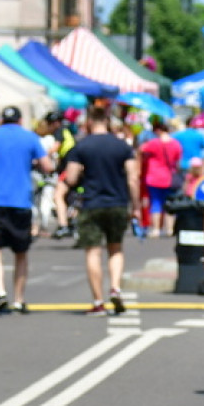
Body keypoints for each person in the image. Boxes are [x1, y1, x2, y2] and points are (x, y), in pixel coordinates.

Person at [62, 105, 142, 316]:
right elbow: (133, 178)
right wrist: (136, 206)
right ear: (108, 122)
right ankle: (115, 287)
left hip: (91, 203)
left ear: (89, 122)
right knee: (115, 249)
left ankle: (98, 301)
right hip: (117, 202)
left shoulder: (81, 147)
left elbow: (70, 178)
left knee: (93, 252)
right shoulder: (122, 146)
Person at [0, 106, 53, 316]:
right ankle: (19, 299)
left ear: (1, 120)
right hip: (21, 201)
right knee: (21, 252)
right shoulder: (30, 138)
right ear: (19, 120)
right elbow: (47, 166)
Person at [138, 118, 182, 238]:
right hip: (169, 177)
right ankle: (169, 229)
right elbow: (177, 161)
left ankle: (156, 229)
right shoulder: (175, 143)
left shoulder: (154, 143)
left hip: (154, 176)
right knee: (170, 203)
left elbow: (141, 150)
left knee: (156, 203)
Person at [51, 110, 80, 239]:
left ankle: (63, 225)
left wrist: (40, 157)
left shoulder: (59, 131)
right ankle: (73, 220)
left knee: (58, 195)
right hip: (76, 167)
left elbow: (55, 148)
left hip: (69, 168)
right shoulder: (68, 130)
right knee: (72, 197)